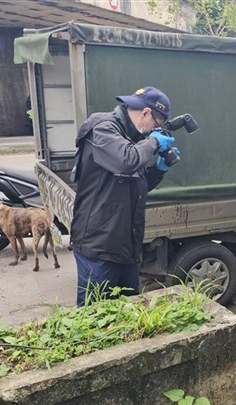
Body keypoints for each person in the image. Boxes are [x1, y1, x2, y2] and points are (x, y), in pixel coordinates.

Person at [69, 87, 178, 307]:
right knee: (94, 315)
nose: (152, 131)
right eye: (156, 125)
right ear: (146, 112)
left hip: (126, 246)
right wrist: (154, 143)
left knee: (128, 311)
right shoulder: (103, 128)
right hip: (98, 245)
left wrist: (159, 169)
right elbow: (126, 160)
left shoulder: (130, 136)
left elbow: (136, 186)